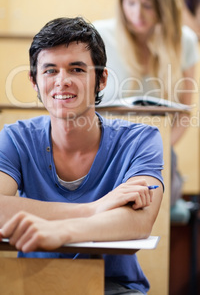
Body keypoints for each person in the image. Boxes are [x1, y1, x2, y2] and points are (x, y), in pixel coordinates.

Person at [0, 17, 164, 295]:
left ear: (101, 79)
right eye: (50, 71)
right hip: (32, 284)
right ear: (34, 81)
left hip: (113, 287)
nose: (62, 82)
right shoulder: (15, 138)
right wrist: (93, 209)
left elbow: (139, 221)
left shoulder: (141, 140)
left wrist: (62, 232)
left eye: (76, 69)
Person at [93, 0, 200, 208]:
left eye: (147, 5)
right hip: (101, 149)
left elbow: (184, 114)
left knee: (148, 187)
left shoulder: (184, 41)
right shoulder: (99, 35)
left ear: (164, 4)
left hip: (157, 152)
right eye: (129, 2)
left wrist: (153, 151)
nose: (137, 13)